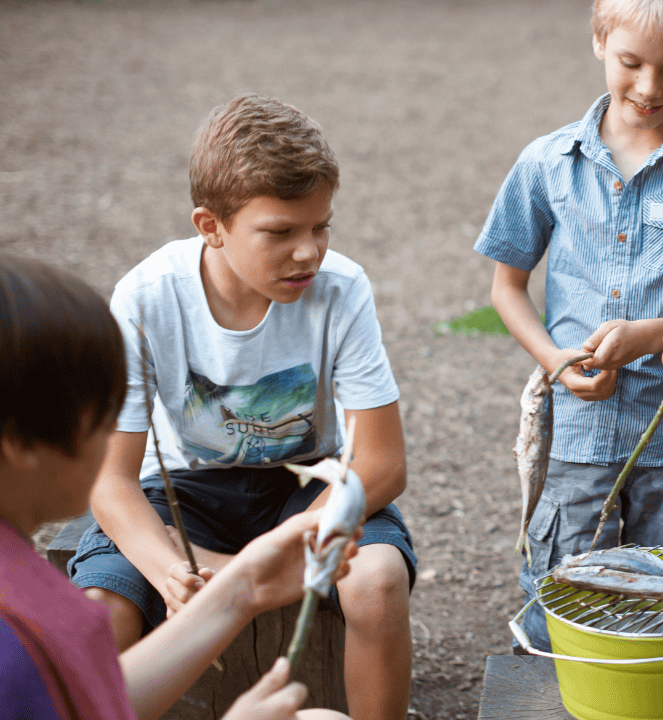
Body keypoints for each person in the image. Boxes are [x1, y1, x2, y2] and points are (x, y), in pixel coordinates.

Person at [66, 94, 416, 720]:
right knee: (99, 609)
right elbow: (110, 480)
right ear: (211, 226)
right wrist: (172, 570)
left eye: (321, 226)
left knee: (378, 580)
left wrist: (281, 546)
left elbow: (384, 464)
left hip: (304, 489)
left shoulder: (342, 288)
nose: (309, 251)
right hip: (184, 492)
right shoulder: (147, 298)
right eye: (281, 232)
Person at [474, 0, 663, 651]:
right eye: (631, 63)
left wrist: (648, 337)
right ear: (599, 41)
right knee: (567, 589)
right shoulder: (547, 162)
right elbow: (506, 287)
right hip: (574, 433)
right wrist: (557, 361)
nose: (648, 87)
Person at [0, 255, 353, 720]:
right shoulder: (27, 632)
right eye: (103, 415)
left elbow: (86, 702)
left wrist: (242, 587)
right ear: (19, 445)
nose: (116, 437)